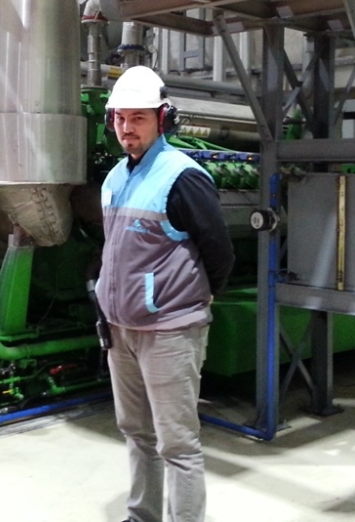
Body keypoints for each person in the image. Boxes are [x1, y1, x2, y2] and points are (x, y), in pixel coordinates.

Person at [97, 65, 235, 522]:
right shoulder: (115, 178)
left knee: (177, 443)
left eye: (138, 118)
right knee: (135, 432)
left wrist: (199, 297)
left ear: (162, 119)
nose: (127, 128)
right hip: (120, 329)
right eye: (120, 118)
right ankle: (142, 516)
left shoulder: (183, 177)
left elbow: (219, 251)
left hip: (170, 332)